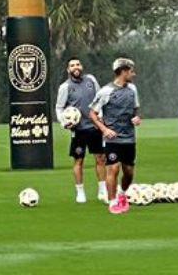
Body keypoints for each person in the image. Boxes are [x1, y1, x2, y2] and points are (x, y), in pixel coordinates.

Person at [88, 58, 142, 215]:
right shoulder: (105, 91)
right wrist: (104, 130)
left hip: (129, 137)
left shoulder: (133, 89)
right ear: (123, 71)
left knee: (129, 172)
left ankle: (122, 194)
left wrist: (136, 118)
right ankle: (112, 202)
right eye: (131, 71)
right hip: (112, 138)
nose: (134, 74)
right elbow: (92, 113)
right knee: (113, 168)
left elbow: (136, 110)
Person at [55, 58, 104, 203]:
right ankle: (80, 192)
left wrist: (100, 115)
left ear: (81, 67)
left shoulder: (91, 80)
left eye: (77, 64)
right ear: (68, 70)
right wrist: (64, 122)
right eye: (72, 65)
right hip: (79, 130)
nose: (75, 67)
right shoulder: (65, 87)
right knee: (79, 161)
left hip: (94, 127)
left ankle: (102, 191)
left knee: (101, 159)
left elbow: (100, 99)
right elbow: (59, 107)